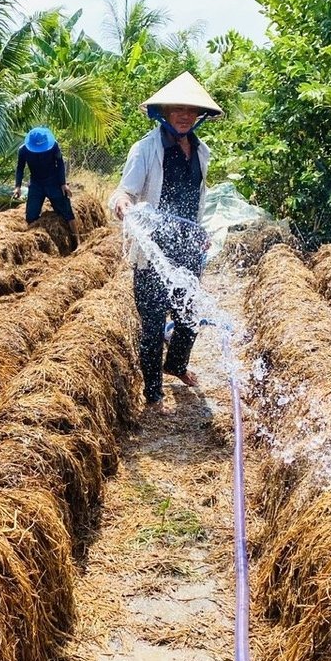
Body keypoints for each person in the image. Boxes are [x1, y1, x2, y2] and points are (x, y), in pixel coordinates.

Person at [108, 72, 223, 415]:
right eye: (178, 109)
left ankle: (176, 365)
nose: (185, 116)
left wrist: (200, 233)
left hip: (187, 247)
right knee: (154, 323)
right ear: (164, 113)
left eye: (191, 110)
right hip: (153, 250)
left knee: (189, 316)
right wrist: (122, 203)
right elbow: (125, 191)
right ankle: (154, 393)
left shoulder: (201, 152)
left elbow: (197, 199)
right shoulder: (145, 149)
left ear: (199, 115)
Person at [13, 126, 76, 241]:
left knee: (67, 213)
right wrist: (18, 186)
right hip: (36, 184)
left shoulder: (54, 146)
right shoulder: (23, 150)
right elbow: (20, 168)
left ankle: (77, 240)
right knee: (31, 216)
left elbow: (60, 164)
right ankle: (34, 242)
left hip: (53, 182)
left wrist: (63, 183)